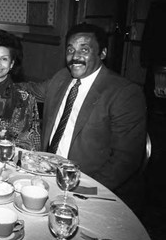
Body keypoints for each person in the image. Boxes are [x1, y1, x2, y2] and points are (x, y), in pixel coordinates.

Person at [28, 23, 147, 210]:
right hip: (45, 174)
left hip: (86, 187)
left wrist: (82, 190)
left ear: (103, 53)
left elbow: (125, 160)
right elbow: (29, 91)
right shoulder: (62, 78)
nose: (75, 57)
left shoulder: (124, 93)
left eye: (84, 50)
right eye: (70, 50)